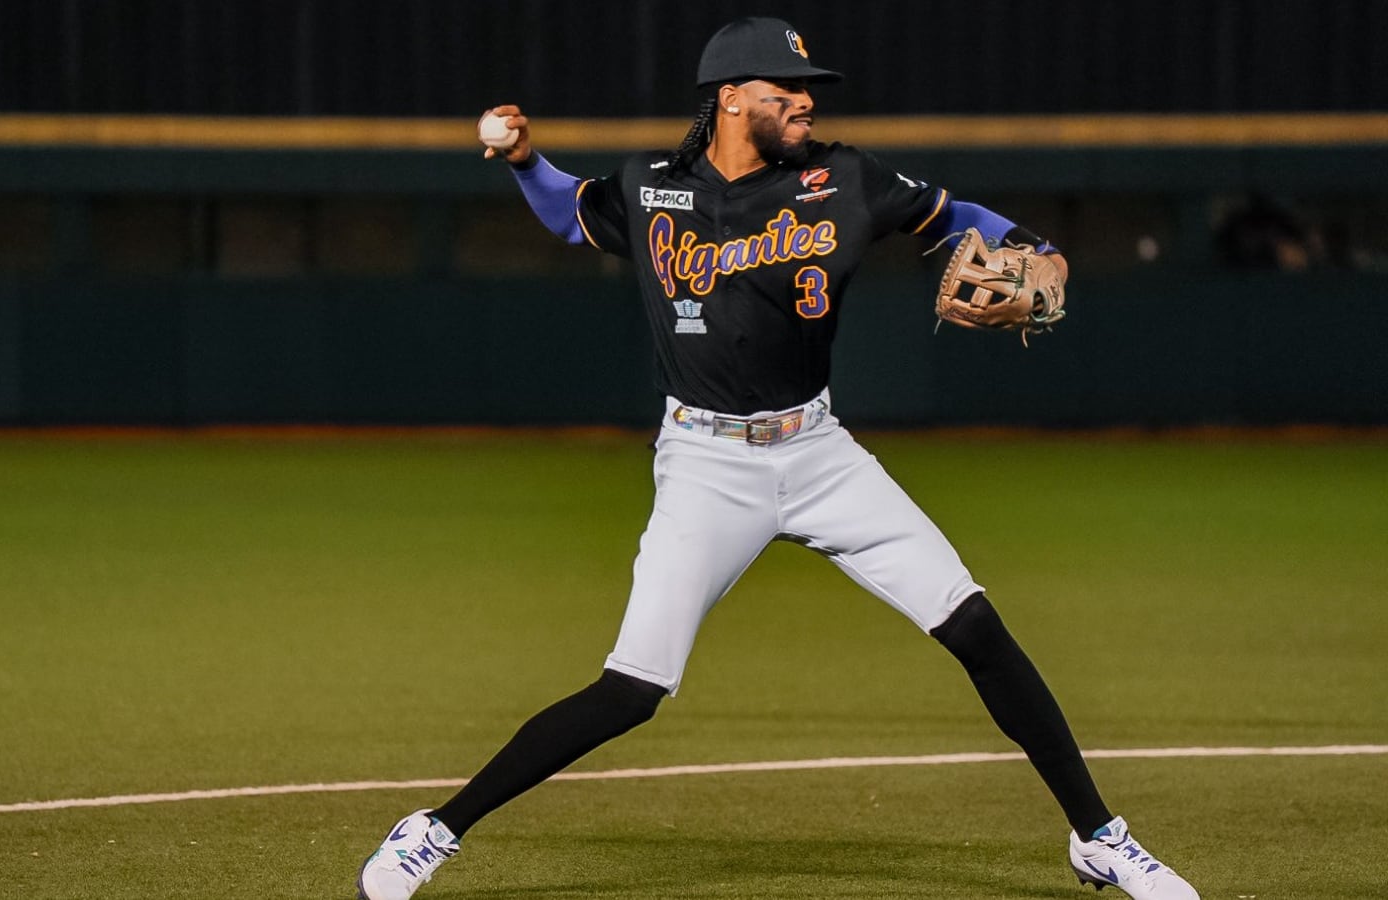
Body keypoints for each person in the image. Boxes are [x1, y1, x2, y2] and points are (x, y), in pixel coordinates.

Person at [357, 16, 1198, 900]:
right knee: (631, 689)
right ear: (728, 97)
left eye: (808, 89)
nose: (803, 101)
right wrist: (528, 158)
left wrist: (1043, 245)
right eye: (782, 88)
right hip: (706, 466)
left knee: (977, 628)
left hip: (820, 452)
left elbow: (958, 217)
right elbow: (573, 215)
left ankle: (1101, 838)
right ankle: (434, 830)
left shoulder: (846, 177)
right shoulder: (651, 188)